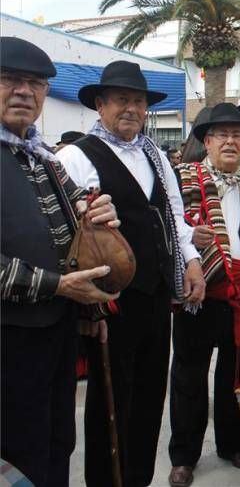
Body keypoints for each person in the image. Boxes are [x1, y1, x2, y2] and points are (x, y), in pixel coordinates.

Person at [57, 60, 206, 487]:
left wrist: (191, 261)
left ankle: (138, 479)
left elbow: (173, 216)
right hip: (111, 303)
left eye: (138, 101)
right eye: (121, 99)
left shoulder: (155, 155)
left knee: (147, 400)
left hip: (156, 296)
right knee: (111, 404)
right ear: (100, 104)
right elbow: (66, 232)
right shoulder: (76, 156)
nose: (131, 109)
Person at [0, 37, 120, 487]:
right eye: (11, 80)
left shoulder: (46, 159)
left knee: (56, 442)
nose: (24, 92)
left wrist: (98, 214)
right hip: (9, 336)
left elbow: (78, 231)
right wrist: (57, 286)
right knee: (17, 453)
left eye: (36, 84)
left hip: (58, 328)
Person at [167, 103, 240, 487]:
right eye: (221, 135)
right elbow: (170, 224)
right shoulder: (183, 179)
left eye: (237, 135)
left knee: (234, 376)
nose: (230, 141)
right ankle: (184, 456)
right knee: (189, 378)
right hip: (200, 292)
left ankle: (232, 444)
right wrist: (189, 237)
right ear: (206, 141)